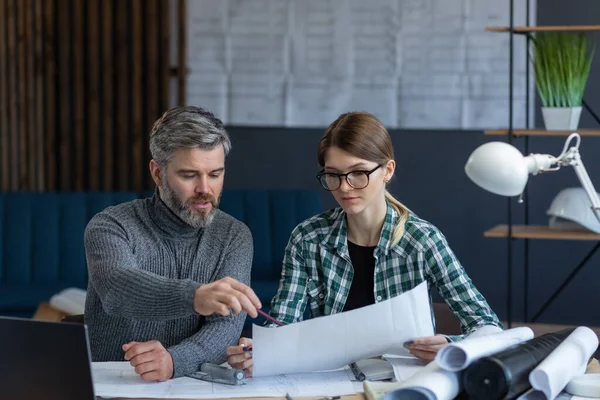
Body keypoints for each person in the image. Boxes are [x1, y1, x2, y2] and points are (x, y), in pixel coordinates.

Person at [227, 111, 502, 376]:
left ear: (387, 171)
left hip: (404, 381)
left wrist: (452, 344)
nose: (344, 187)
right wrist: (260, 350)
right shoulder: (308, 238)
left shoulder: (422, 240)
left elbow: (488, 326)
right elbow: (283, 323)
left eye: (358, 173)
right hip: (328, 380)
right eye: (333, 175)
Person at [84, 106, 261, 382]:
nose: (205, 188)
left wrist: (174, 361)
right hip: (114, 385)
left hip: (192, 385)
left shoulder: (234, 236)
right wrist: (194, 297)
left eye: (215, 174)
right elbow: (116, 288)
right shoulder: (110, 225)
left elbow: (225, 328)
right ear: (157, 173)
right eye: (190, 175)